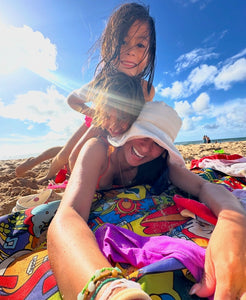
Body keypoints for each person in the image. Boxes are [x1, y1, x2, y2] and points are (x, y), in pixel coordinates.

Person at [47, 101, 246, 300]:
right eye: (143, 133)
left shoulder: (160, 164)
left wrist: (232, 220)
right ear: (128, 127)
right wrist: (108, 290)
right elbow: (70, 213)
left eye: (159, 143)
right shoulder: (98, 149)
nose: (147, 146)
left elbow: (204, 186)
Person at [16, 2, 156, 182]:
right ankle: (45, 174)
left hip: (119, 127)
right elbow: (72, 100)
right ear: (110, 43)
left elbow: (143, 121)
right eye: (123, 42)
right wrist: (93, 113)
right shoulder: (102, 82)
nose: (130, 51)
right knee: (65, 155)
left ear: (150, 52)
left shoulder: (147, 90)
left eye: (140, 45)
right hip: (96, 122)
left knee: (89, 155)